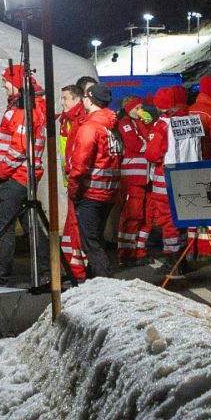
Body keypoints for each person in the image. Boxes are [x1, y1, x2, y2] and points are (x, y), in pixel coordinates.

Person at [0, 63, 46, 287]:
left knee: (5, 227)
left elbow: (19, 148)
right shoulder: (31, 107)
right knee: (30, 225)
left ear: (16, 83)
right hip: (26, 176)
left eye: (5, 83)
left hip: (15, 177)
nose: (4, 87)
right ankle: (45, 271)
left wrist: (3, 170)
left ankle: (1, 277)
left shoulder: (22, 110)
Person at [145, 86, 207, 265]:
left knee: (169, 220)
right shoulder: (194, 121)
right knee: (187, 218)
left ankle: (174, 260)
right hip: (191, 178)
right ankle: (188, 253)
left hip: (168, 180)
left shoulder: (164, 125)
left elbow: (152, 154)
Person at [66, 83, 123, 277]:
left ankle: (106, 285)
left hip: (91, 194)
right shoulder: (112, 127)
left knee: (90, 243)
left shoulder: (90, 128)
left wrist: (73, 190)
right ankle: (94, 280)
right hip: (109, 193)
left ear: (89, 100)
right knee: (95, 239)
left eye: (84, 98)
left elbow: (80, 165)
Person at [115, 95, 153, 263]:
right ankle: (126, 253)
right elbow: (135, 145)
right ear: (129, 108)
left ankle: (140, 251)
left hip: (144, 176)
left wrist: (148, 124)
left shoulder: (139, 123)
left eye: (141, 107)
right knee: (132, 214)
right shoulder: (124, 124)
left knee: (146, 215)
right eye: (137, 108)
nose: (140, 111)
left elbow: (150, 138)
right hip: (132, 177)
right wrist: (151, 146)